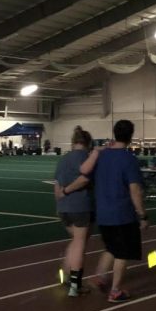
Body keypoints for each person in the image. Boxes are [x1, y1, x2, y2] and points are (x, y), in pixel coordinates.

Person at [73, 119, 148, 302]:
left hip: (103, 213)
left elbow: (83, 172)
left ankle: (100, 278)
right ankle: (115, 290)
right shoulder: (129, 159)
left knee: (111, 248)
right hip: (122, 214)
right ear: (131, 136)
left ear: (115, 133)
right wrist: (142, 214)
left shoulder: (101, 155)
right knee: (123, 253)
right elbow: (135, 190)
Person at [53, 126, 95, 297]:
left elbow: (56, 184)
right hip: (80, 206)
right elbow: (84, 179)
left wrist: (60, 199)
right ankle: (75, 285)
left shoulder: (63, 159)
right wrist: (68, 191)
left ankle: (65, 274)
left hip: (64, 208)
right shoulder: (86, 158)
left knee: (76, 240)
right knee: (80, 244)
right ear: (88, 143)